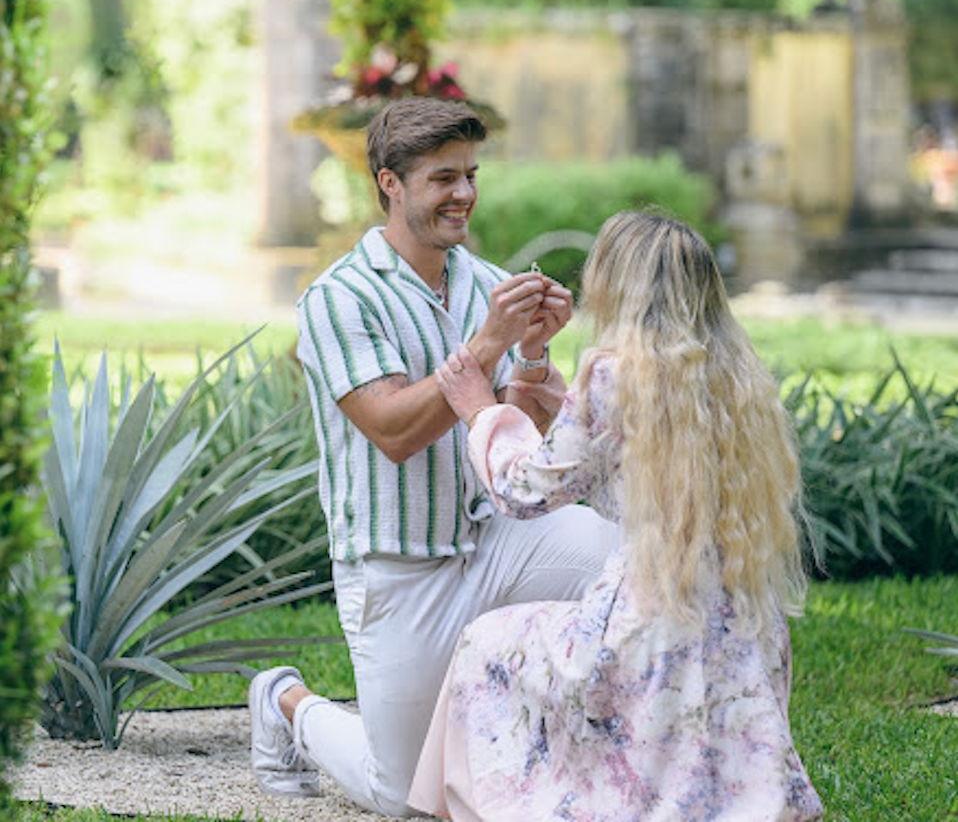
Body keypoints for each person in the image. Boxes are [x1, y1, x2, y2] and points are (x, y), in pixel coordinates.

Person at [247, 97, 618, 816]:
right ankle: (286, 703)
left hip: (499, 537)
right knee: (402, 797)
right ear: (390, 183)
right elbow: (392, 431)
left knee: (626, 559)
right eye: (443, 178)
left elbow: (516, 430)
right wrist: (488, 343)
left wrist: (533, 352)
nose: (465, 194)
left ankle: (566, 742)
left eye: (471, 175)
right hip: (400, 566)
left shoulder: (484, 281)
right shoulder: (338, 298)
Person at [408, 211, 824, 821]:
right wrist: (544, 374)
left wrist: (479, 411)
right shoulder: (734, 374)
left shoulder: (613, 374)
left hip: (645, 631)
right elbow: (625, 478)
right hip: (743, 630)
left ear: (618, 284)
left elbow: (525, 491)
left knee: (488, 641)